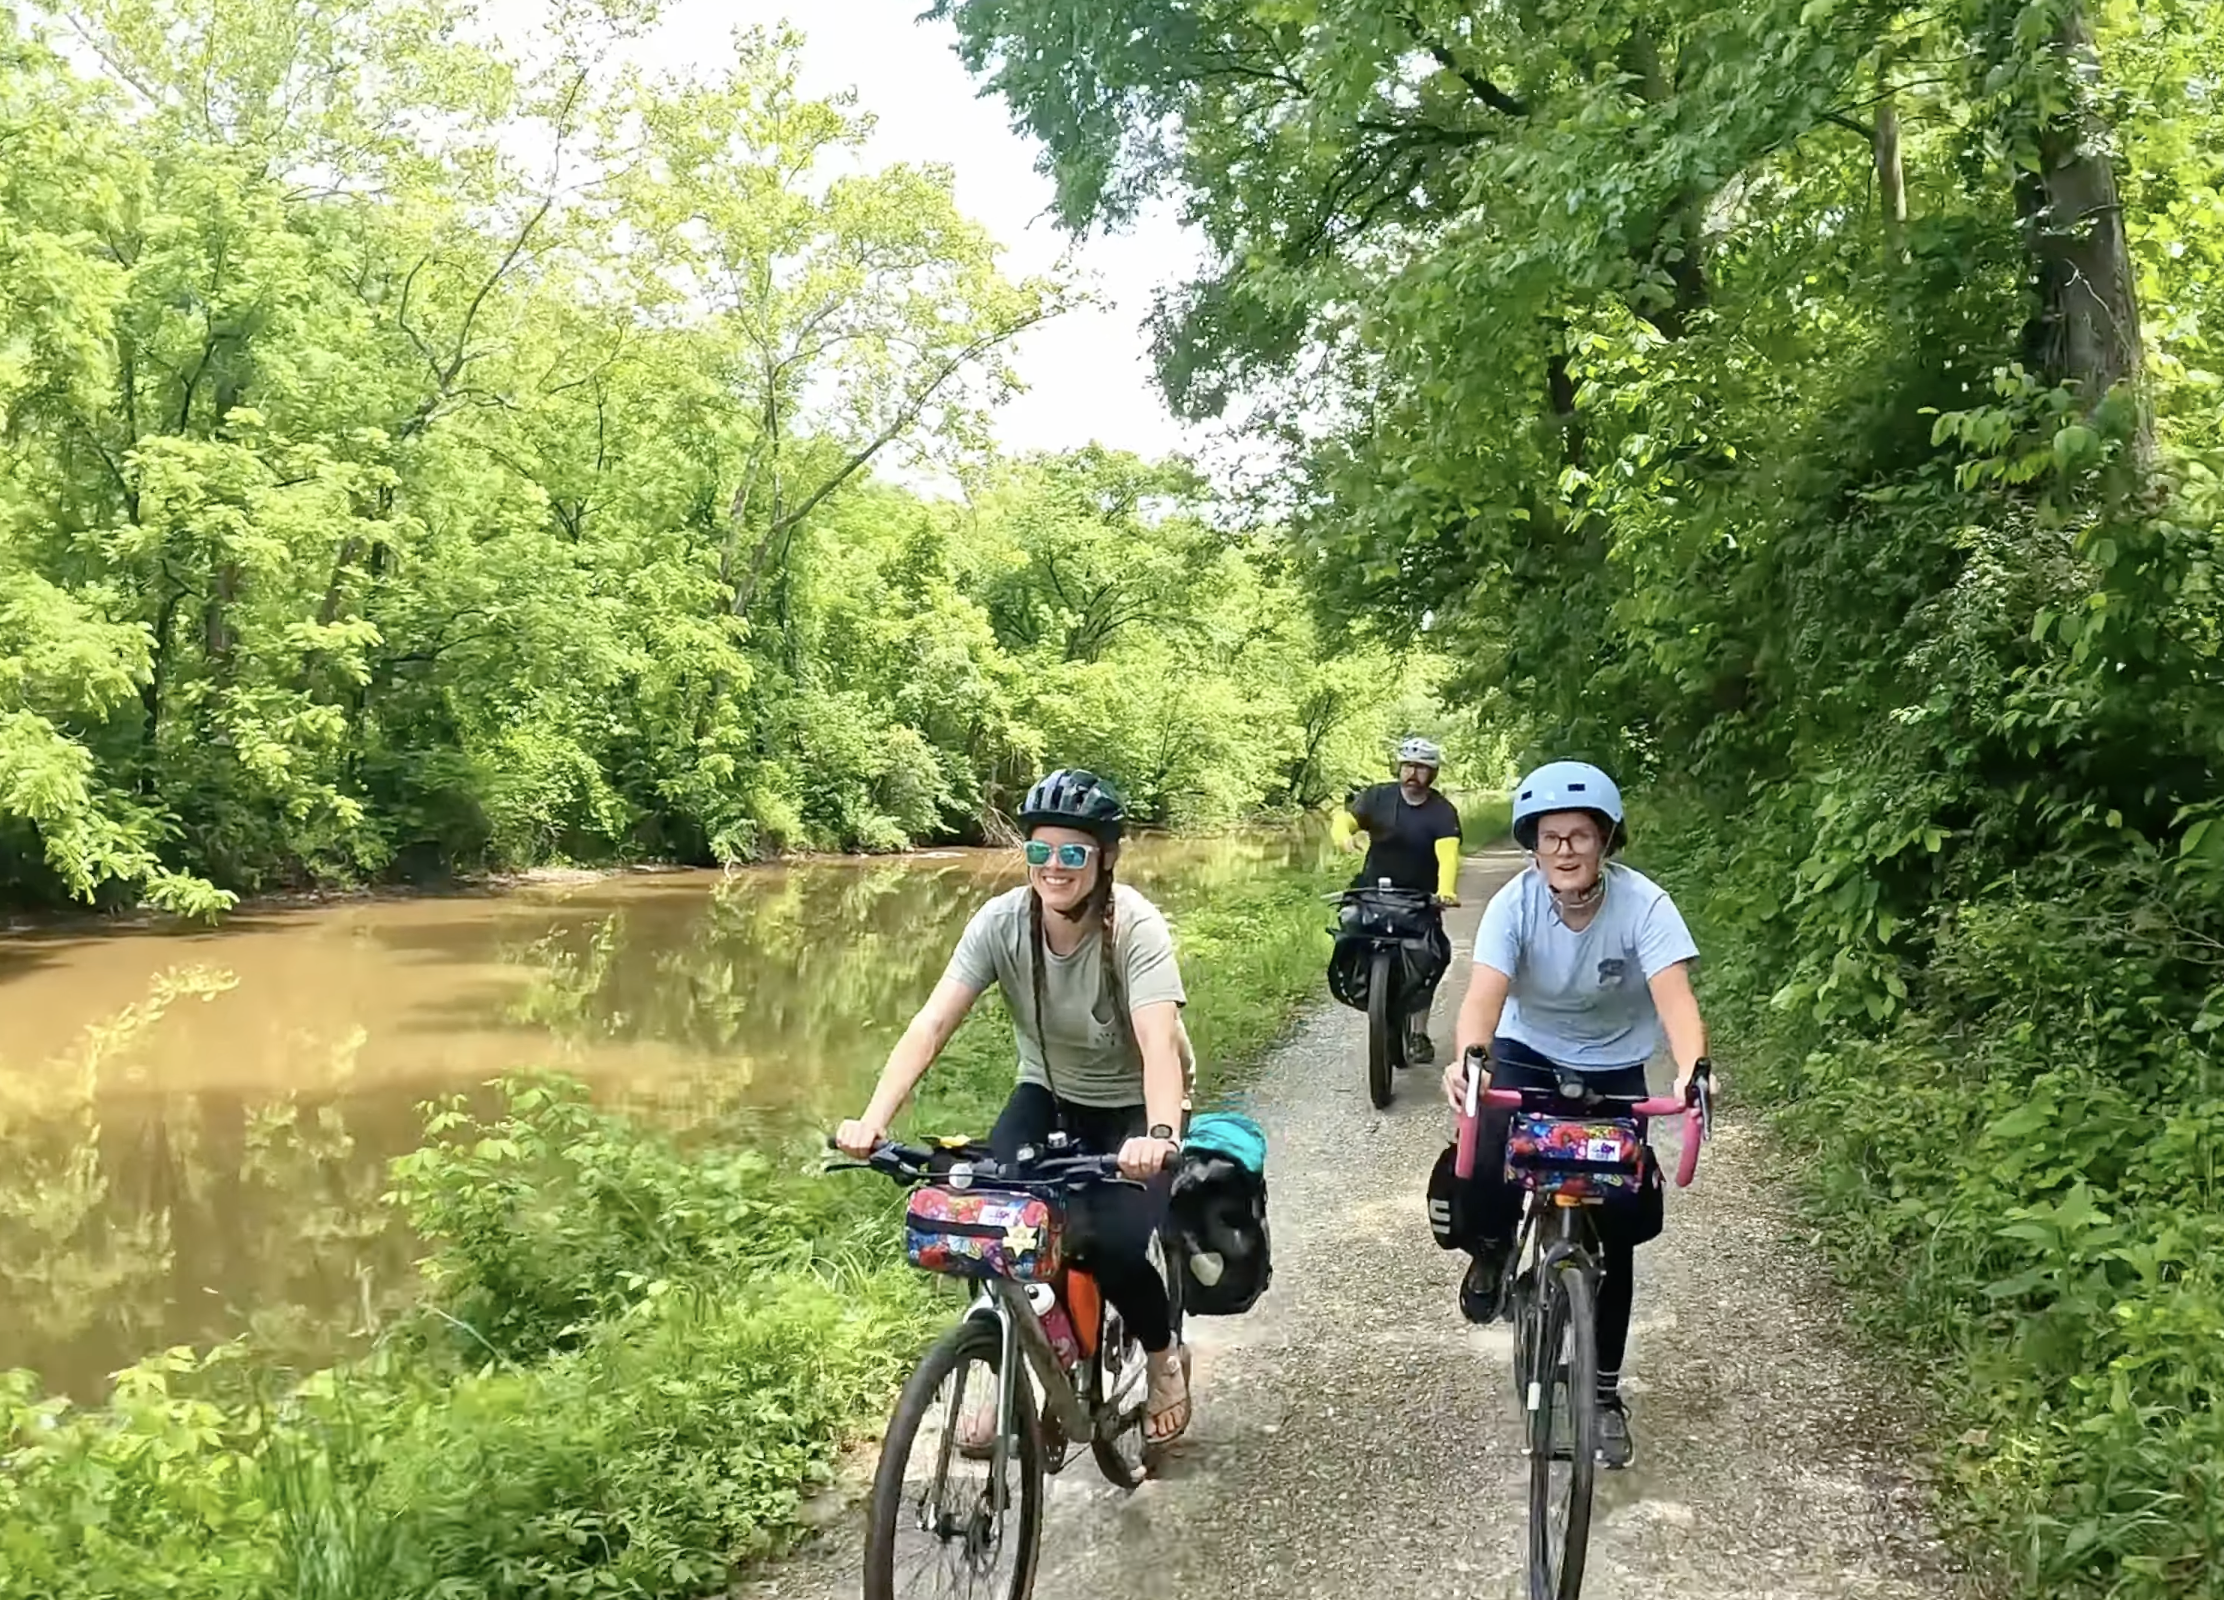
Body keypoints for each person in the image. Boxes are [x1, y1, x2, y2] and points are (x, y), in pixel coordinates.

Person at [835, 768, 1195, 1444]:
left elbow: (1158, 1048)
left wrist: (1159, 1134)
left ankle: (1161, 1355)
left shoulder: (1135, 929)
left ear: (1105, 857)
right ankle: (1015, 1371)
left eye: (1072, 853)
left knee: (1112, 1244)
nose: (1053, 868)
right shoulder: (1000, 923)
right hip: (1047, 1096)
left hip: (1131, 1107)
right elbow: (932, 1023)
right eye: (1040, 851)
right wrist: (873, 1118)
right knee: (990, 1228)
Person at [1434, 759, 1715, 1471]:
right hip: (1528, 1049)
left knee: (1616, 1229)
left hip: (1615, 1065)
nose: (1564, 850)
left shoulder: (1645, 906)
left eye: (1580, 836)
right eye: (1551, 836)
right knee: (1489, 1144)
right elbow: (1483, 996)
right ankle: (1495, 1250)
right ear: (1533, 844)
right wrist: (1471, 1059)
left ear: (1606, 841)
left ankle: (1604, 1391)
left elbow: (1675, 999)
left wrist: (1691, 1071)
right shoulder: (1514, 904)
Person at [1330, 736, 1463, 1063]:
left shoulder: (1442, 812)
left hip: (1420, 897)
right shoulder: (1378, 797)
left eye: (1422, 767)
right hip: (1373, 890)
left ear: (1433, 773)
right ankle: (1364, 989)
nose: (1413, 773)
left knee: (1432, 955)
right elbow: (1344, 820)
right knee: (1350, 934)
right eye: (1408, 765)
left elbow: (1447, 856)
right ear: (1399, 767)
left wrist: (1445, 889)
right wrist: (1342, 835)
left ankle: (1418, 1031)